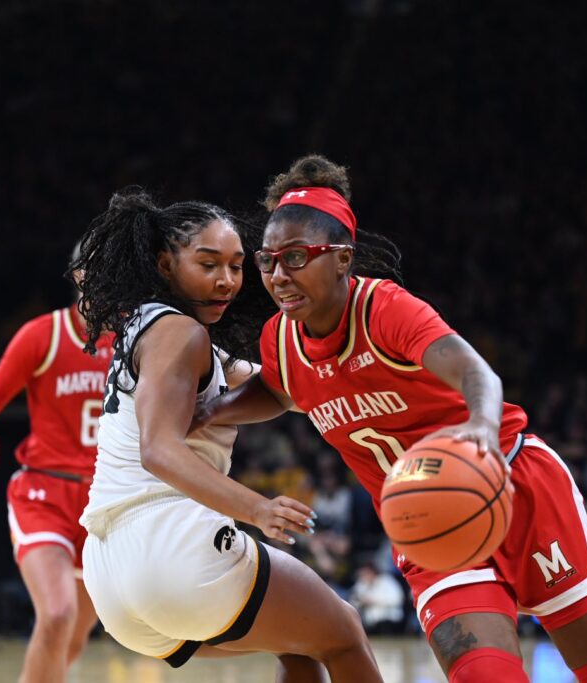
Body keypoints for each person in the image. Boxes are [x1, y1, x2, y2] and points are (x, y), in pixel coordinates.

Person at [198, 155, 587, 683]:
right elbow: (281, 391)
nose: (279, 275)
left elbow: (477, 375)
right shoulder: (280, 341)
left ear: (344, 258)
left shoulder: (384, 310)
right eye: (268, 260)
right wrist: (209, 413)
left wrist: (481, 433)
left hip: (516, 486)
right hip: (427, 525)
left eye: (298, 257)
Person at [70, 189, 382, 682]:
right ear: (165, 264)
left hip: (110, 575)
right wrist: (256, 509)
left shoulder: (151, 329)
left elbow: (284, 388)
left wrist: (364, 371)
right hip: (170, 545)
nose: (226, 281)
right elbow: (159, 451)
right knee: (343, 631)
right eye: (208, 264)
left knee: (301, 647)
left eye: (237, 267)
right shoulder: (180, 334)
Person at [0, 261, 113, 683]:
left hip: (103, 503)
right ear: (81, 275)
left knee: (74, 639)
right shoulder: (43, 335)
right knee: (57, 612)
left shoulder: (133, 341)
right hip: (45, 493)